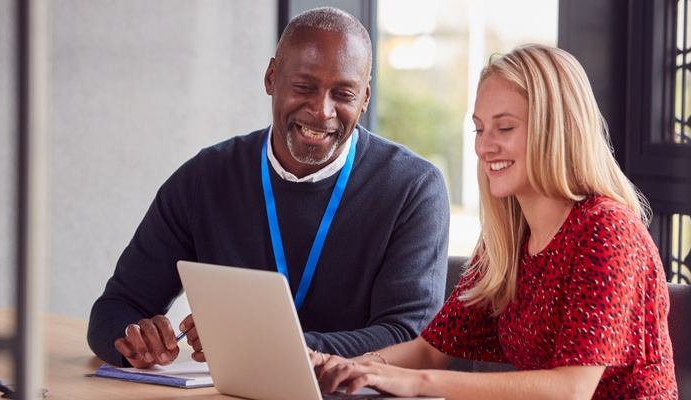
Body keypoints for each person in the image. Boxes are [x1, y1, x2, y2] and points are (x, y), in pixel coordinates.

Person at [87, 7, 450, 369]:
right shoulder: (206, 178)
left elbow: (408, 337)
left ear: (365, 97)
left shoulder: (413, 188)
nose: (322, 111)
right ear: (271, 77)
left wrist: (264, 344)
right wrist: (137, 340)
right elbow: (115, 309)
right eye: (304, 87)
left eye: (343, 94)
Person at [313, 44, 679, 399]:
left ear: (557, 130)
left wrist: (418, 383)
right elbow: (430, 350)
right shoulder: (509, 240)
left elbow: (571, 390)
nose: (485, 147)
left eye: (504, 128)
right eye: (479, 129)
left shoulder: (607, 230)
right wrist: (351, 368)